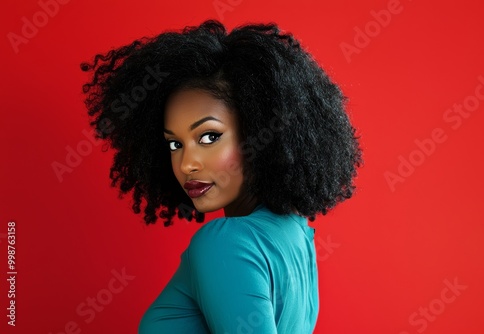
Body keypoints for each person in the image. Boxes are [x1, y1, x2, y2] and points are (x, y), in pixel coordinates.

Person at [81, 19, 362, 334]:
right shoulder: (297, 234)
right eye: (175, 144)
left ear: (260, 133)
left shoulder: (226, 241)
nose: (187, 163)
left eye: (209, 137)